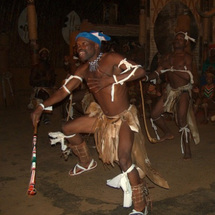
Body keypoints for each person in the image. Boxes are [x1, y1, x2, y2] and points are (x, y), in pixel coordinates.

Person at [31, 31, 169, 215]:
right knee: (68, 128)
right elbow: (63, 92)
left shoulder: (111, 58)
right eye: (77, 46)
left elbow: (140, 70)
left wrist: (111, 79)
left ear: (96, 45)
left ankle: (140, 207)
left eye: (84, 44)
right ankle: (86, 162)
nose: (79, 48)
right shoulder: (84, 69)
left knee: (124, 159)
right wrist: (41, 106)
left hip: (123, 119)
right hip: (104, 118)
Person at [144, 32, 200, 160]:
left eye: (181, 39)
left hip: (184, 91)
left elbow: (188, 77)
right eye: (176, 38)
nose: (178, 40)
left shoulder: (187, 57)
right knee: (154, 114)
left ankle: (187, 149)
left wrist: (171, 68)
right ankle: (168, 132)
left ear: (185, 43)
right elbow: (157, 73)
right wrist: (145, 77)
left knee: (181, 120)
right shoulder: (167, 57)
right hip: (171, 90)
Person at [28, 48, 56, 124]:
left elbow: (53, 81)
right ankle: (45, 116)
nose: (45, 55)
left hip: (49, 88)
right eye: (43, 54)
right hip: (39, 88)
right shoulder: (36, 67)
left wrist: (50, 80)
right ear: (40, 56)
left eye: (46, 54)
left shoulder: (50, 67)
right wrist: (43, 79)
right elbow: (31, 81)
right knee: (44, 95)